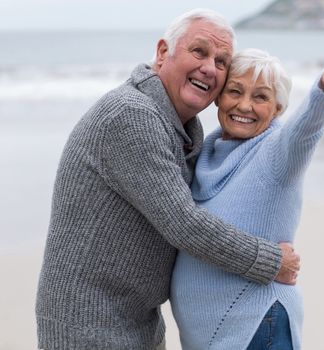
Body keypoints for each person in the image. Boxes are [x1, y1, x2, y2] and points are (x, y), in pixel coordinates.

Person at [35, 9, 300, 350]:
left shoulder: (186, 130)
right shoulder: (131, 115)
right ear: (163, 53)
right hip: (90, 326)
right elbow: (184, 223)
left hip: (137, 321)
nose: (209, 67)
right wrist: (271, 261)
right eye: (199, 51)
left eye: (221, 61)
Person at [170, 39, 324, 349]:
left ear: (277, 109)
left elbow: (305, 132)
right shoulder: (206, 152)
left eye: (261, 97)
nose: (245, 105)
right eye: (235, 91)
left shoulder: (276, 153)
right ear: (218, 98)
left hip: (258, 328)